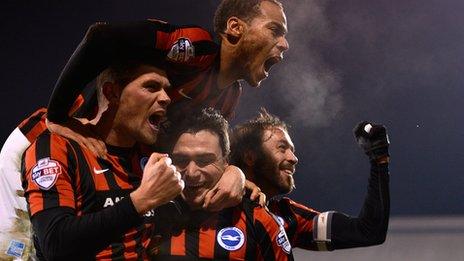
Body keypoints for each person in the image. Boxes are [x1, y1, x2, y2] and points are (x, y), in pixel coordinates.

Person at [1, 0, 285, 257]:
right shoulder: (196, 47)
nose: (284, 43)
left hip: (119, 161)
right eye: (275, 30)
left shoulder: (229, 95)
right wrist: (58, 115)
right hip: (50, 139)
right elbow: (100, 37)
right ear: (235, 27)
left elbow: (201, 148)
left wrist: (232, 171)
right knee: (23, 251)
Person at [21, 62, 186, 260]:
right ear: (112, 93)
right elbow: (55, 244)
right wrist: (140, 201)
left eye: (166, 89)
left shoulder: (152, 152)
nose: (166, 98)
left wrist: (233, 174)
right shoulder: (58, 147)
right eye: (151, 87)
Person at [230, 109, 390, 251]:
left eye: (292, 151)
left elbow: (369, 232)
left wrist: (379, 159)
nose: (293, 158)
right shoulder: (210, 201)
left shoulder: (289, 216)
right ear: (250, 157)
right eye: (282, 148)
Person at [148, 108, 293, 260]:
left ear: (225, 162)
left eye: (204, 161)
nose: (191, 172)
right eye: (182, 160)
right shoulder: (151, 212)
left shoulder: (258, 220)